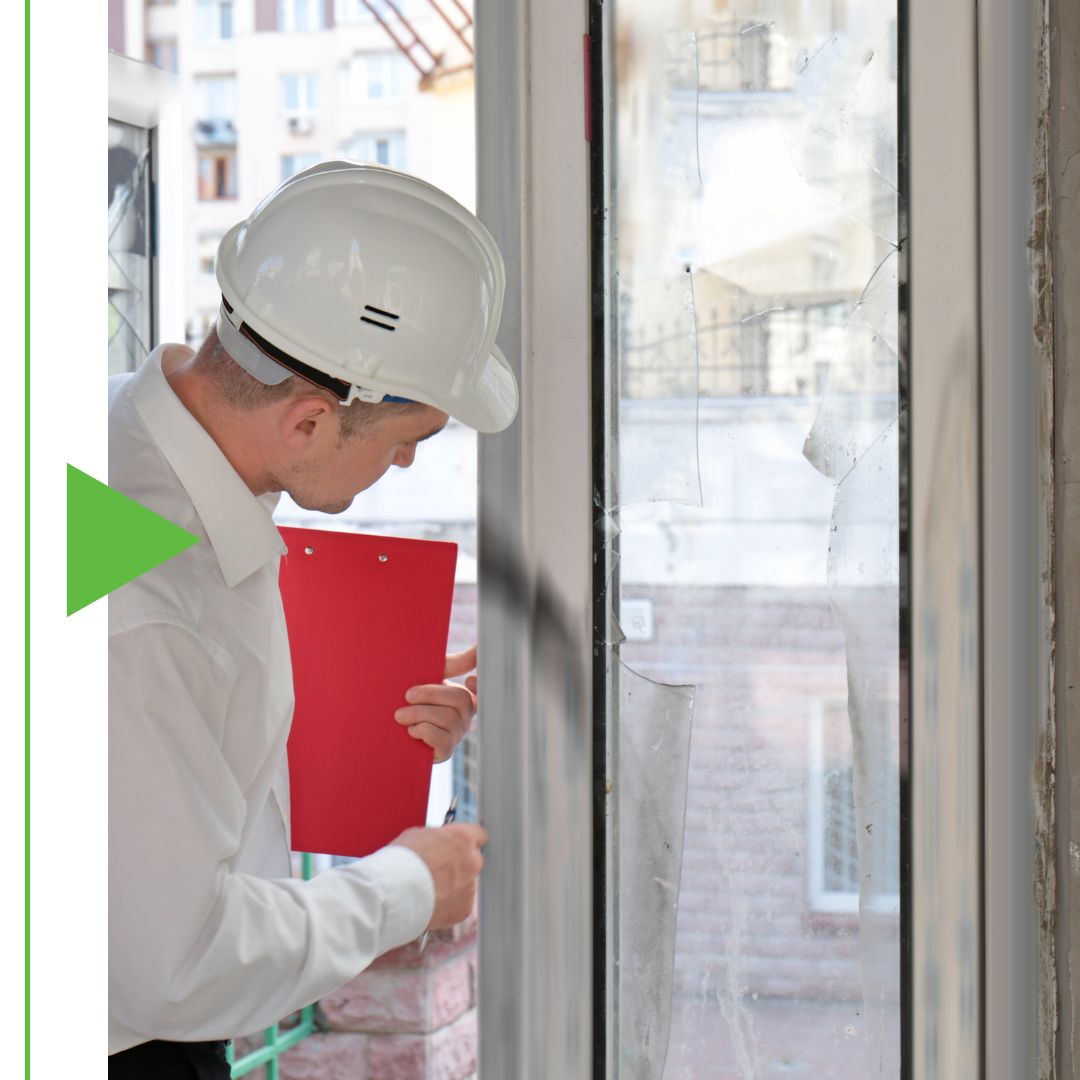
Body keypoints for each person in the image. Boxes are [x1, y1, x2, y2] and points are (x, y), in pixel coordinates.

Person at [108, 161, 518, 1077]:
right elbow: (176, 967)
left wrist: (361, 722)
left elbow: (150, 765)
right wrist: (411, 887)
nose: (405, 467)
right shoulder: (144, 603)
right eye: (407, 442)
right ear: (307, 422)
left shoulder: (112, 432)